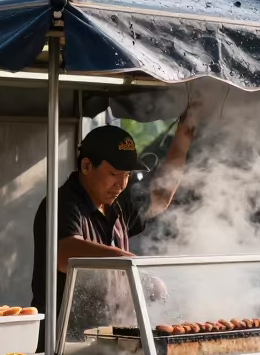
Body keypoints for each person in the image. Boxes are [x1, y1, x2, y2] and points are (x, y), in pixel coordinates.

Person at [30, 118, 195, 332]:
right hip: (66, 341)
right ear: (87, 166)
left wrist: (183, 138)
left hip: (112, 336)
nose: (121, 183)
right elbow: (66, 255)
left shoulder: (119, 203)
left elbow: (160, 197)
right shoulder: (62, 203)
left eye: (126, 175)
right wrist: (129, 263)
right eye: (114, 174)